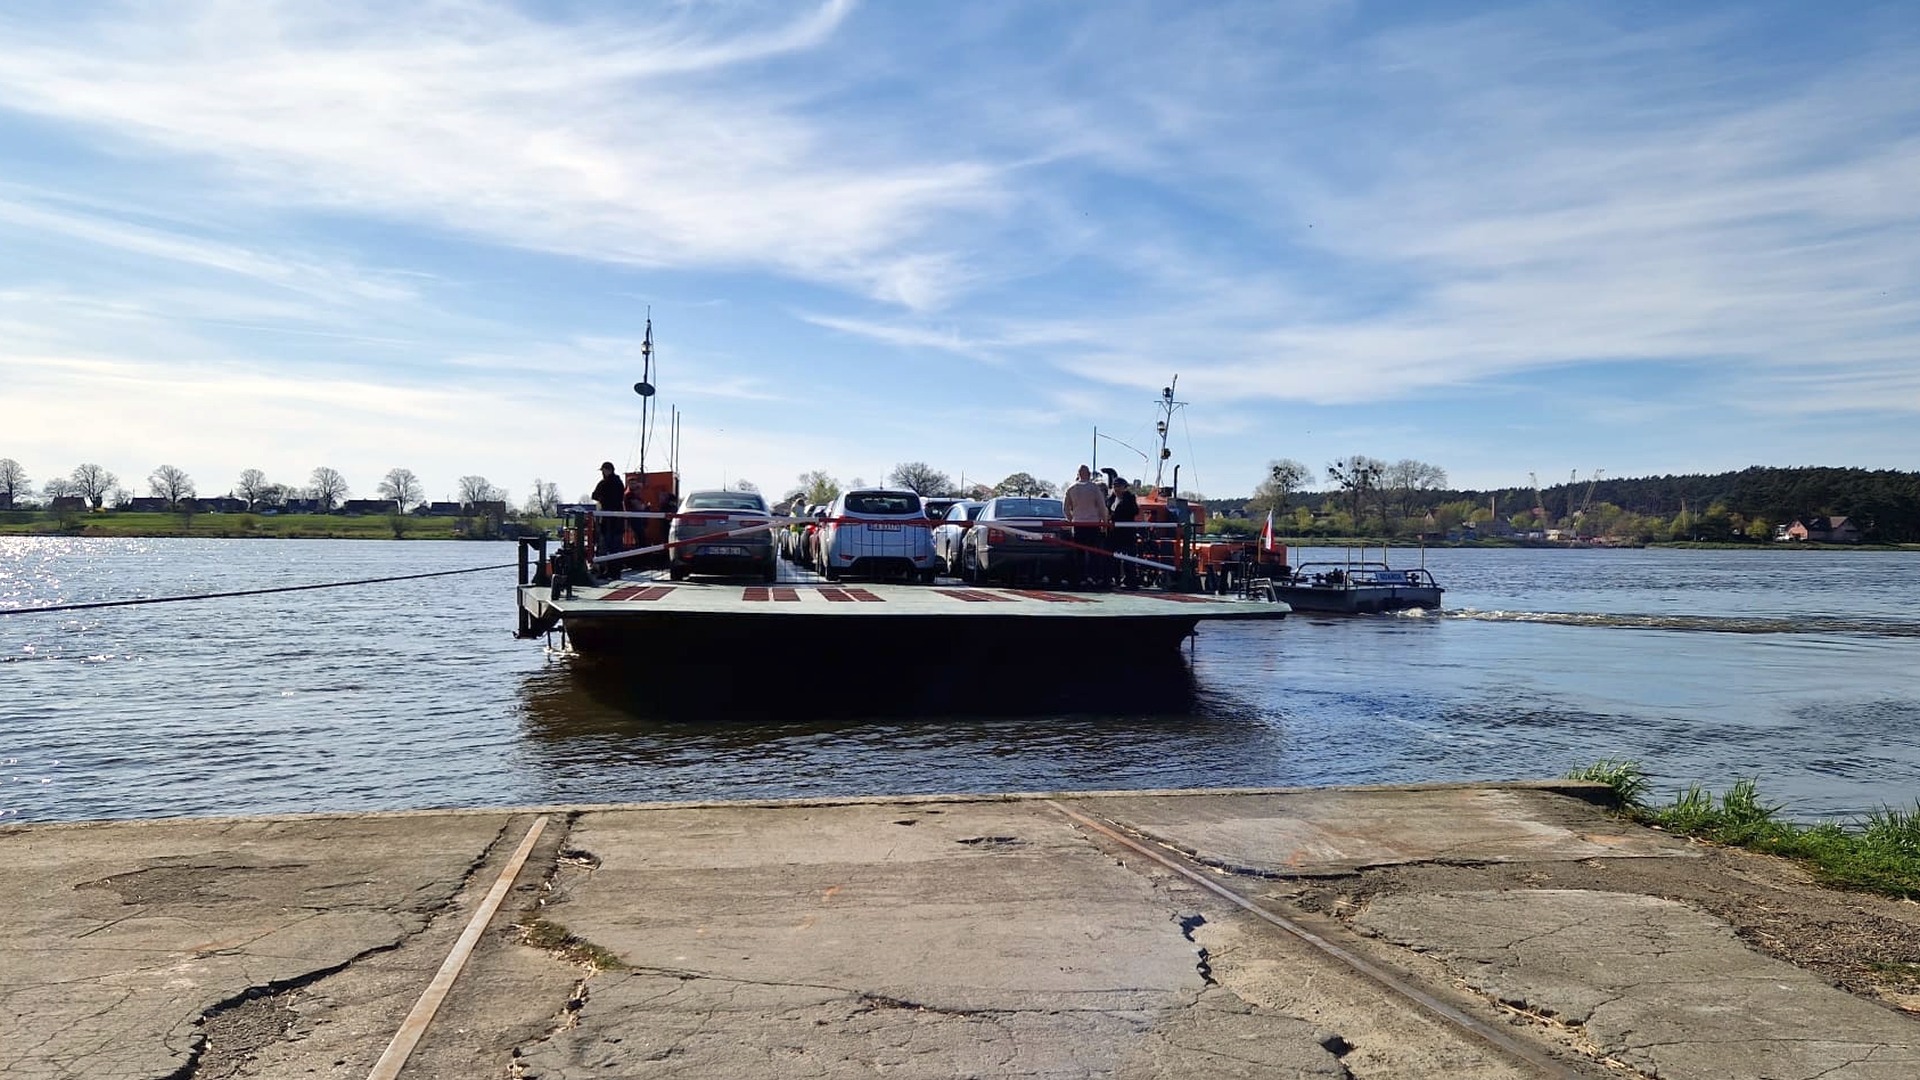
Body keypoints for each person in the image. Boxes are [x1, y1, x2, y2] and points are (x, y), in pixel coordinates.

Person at [1061, 464, 1109, 586]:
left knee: (1079, 553)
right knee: (1094, 552)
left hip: (1078, 524)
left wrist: (1071, 520)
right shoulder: (1094, 488)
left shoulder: (1071, 488)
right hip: (1093, 524)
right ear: (1088, 474)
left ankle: (1079, 577)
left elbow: (1065, 508)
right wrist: (1104, 522)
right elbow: (1102, 507)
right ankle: (1093, 577)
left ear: (1078, 474)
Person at [1108, 476, 1139, 588]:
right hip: (1114, 534)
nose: (1116, 489)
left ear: (1124, 488)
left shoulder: (1130, 498)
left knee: (1129, 559)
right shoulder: (1111, 499)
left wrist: (1117, 515)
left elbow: (1135, 511)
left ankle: (1130, 581)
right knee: (1113, 558)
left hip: (1127, 533)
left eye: (1119, 486)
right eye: (1114, 486)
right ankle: (1114, 579)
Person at [591, 461, 624, 560]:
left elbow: (594, 495)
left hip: (607, 517)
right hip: (618, 516)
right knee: (617, 546)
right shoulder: (619, 482)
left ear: (607, 470)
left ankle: (607, 569)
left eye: (603, 470)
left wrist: (602, 499)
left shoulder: (604, 483)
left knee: (606, 544)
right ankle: (615, 571)